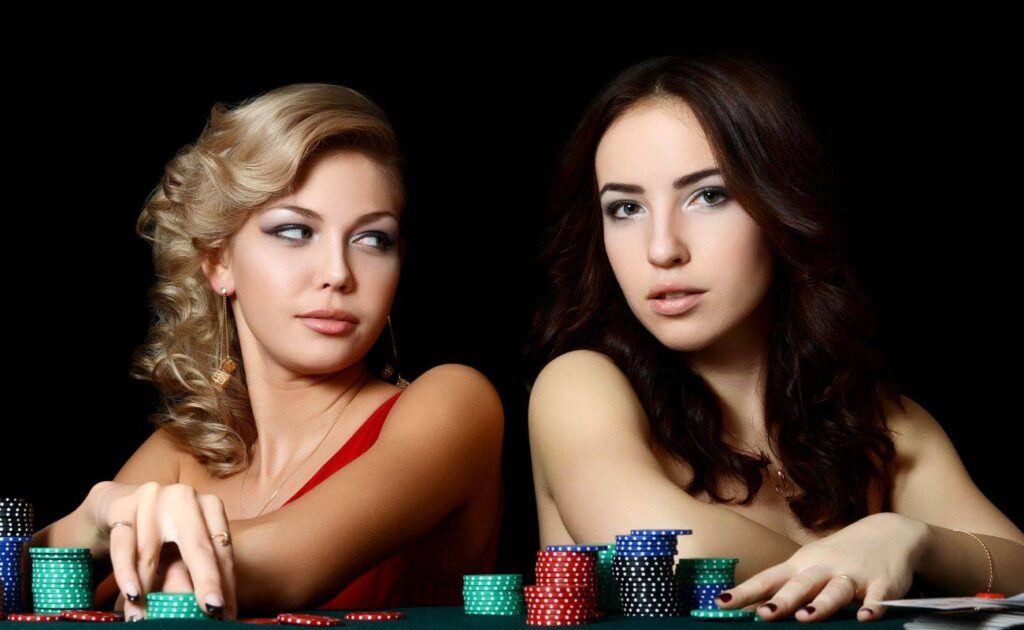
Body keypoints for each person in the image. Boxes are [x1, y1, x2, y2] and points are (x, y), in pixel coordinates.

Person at [525, 52, 1024, 623]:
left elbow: (1019, 567)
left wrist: (908, 538)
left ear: (781, 202)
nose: (662, 249)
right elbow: (672, 548)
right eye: (626, 207)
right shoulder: (581, 385)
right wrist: (856, 563)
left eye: (709, 195)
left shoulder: (879, 420)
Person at [24, 83, 504, 621]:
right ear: (218, 261)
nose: (338, 274)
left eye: (372, 240)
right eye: (295, 231)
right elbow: (22, 580)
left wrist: (154, 559)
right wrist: (96, 513)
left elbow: (270, 570)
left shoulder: (454, 404)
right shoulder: (185, 455)